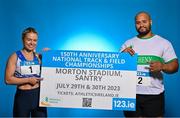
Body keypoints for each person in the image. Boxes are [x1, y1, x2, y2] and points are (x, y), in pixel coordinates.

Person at [121, 11, 179, 117]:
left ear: (150, 22)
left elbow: (175, 66)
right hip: (130, 94)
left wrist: (163, 66)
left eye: (144, 21)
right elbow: (117, 69)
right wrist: (122, 57)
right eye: (138, 22)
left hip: (154, 94)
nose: (141, 25)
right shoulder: (127, 44)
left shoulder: (163, 43)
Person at [5, 27, 47, 117]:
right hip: (23, 97)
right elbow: (8, 80)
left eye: (35, 40)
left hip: (38, 96)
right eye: (29, 40)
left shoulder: (39, 57)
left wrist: (50, 55)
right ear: (23, 39)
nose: (32, 43)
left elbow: (52, 71)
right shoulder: (15, 56)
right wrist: (28, 80)